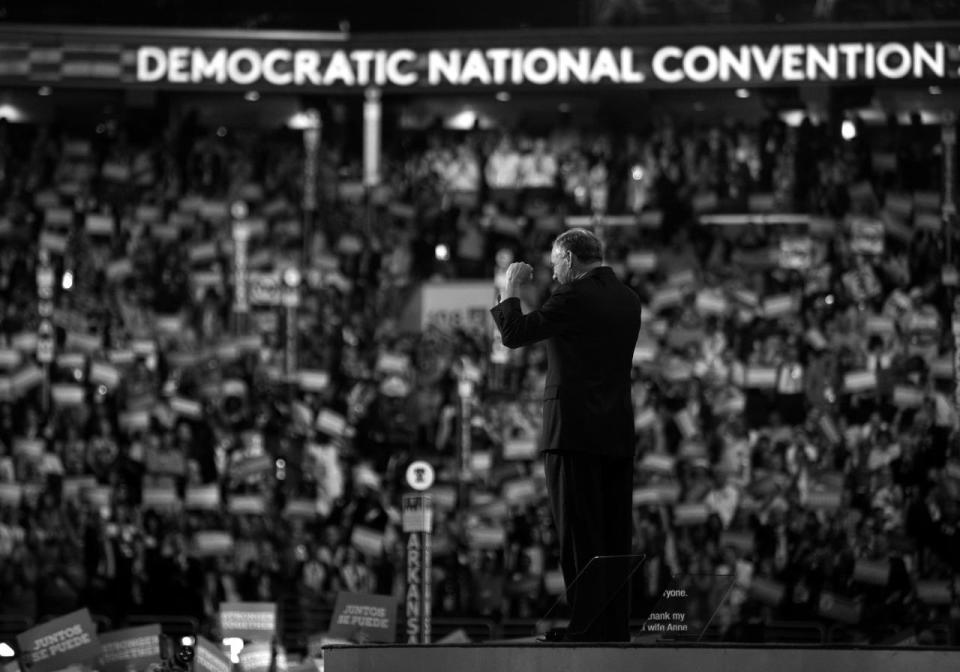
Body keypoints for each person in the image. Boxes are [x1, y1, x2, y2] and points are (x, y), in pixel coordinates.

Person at [490, 228, 643, 642]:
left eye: (556, 264)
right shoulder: (629, 299)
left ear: (570, 260)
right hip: (616, 432)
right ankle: (612, 629)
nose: (554, 275)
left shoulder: (574, 296)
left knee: (579, 533)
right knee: (613, 535)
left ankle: (586, 628)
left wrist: (511, 288)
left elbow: (514, 334)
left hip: (573, 432)